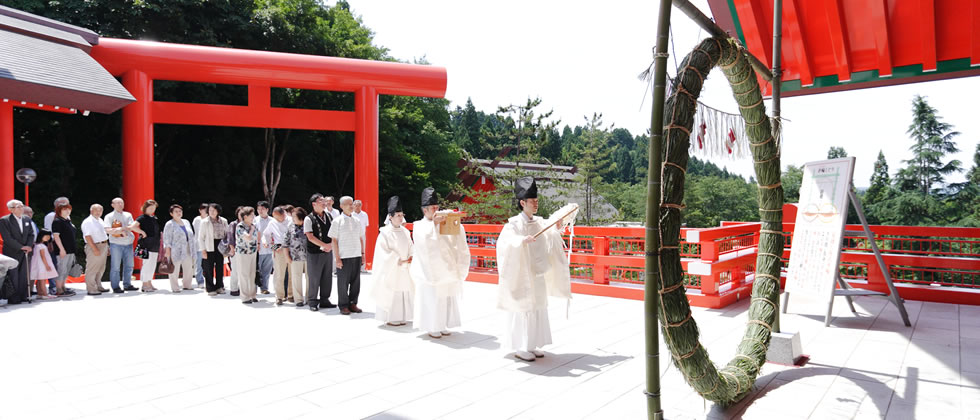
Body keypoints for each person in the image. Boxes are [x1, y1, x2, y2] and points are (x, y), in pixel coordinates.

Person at [496, 177, 572, 362]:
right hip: (522, 273)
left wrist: (557, 227)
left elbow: (549, 233)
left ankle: (532, 344)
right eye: (533, 201)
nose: (536, 204)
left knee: (538, 306)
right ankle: (521, 346)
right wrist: (520, 241)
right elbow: (504, 243)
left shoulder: (538, 221)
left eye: (537, 201)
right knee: (524, 307)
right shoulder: (513, 224)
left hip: (537, 272)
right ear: (523, 203)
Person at [411, 187, 470, 338]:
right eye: (433, 208)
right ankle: (432, 326)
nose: (436, 210)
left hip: (445, 267)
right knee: (432, 298)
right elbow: (424, 242)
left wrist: (454, 222)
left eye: (437, 207)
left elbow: (455, 240)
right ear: (425, 210)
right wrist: (434, 225)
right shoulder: (419, 225)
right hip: (428, 270)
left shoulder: (442, 221)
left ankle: (443, 324)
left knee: (446, 296)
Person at [371, 196, 414, 326]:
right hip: (392, 267)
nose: (401, 218)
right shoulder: (384, 232)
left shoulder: (405, 231)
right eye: (398, 215)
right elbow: (382, 252)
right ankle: (391, 317)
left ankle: (403, 316)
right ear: (390, 217)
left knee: (403, 290)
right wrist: (396, 259)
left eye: (402, 215)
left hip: (405, 266)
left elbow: (411, 245)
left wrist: (411, 255)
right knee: (392, 290)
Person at [328, 196, 365, 315]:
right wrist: (337, 258)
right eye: (348, 204)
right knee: (342, 282)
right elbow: (334, 240)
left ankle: (353, 303)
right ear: (341, 206)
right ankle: (343, 305)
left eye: (352, 204)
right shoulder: (337, 221)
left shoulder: (357, 220)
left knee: (355, 282)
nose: (351, 206)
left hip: (356, 254)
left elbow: (361, 238)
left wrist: (363, 254)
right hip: (343, 256)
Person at [304, 193, 335, 311]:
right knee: (314, 277)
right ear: (314, 204)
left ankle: (324, 299)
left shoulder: (329, 216)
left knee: (327, 276)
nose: (324, 203)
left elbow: (333, 232)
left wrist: (331, 245)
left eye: (324, 200)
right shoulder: (309, 218)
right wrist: (324, 245)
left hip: (328, 250)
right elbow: (310, 236)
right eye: (321, 201)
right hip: (315, 252)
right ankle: (312, 301)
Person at [0, 200, 34, 303]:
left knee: (24, 274)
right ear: (11, 209)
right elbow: (7, 238)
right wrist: (21, 247)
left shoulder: (26, 219)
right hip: (12, 251)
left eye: (22, 206)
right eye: (18, 207)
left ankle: (24, 295)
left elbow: (31, 234)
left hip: (25, 252)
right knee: (13, 275)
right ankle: (13, 297)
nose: (21, 208)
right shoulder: (4, 220)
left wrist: (28, 245)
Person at [104, 198, 139, 293]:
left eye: (122, 203)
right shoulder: (109, 216)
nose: (120, 204)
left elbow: (132, 227)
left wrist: (120, 229)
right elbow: (107, 229)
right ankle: (115, 286)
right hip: (116, 244)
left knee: (129, 265)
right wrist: (121, 230)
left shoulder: (128, 215)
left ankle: (127, 284)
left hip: (128, 243)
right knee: (115, 266)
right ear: (112, 205)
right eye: (118, 203)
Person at [163, 204, 198, 293]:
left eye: (180, 211)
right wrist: (167, 250)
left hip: (188, 247)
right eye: (176, 211)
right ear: (171, 213)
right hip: (176, 248)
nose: (178, 213)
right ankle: (175, 287)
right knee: (175, 268)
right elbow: (167, 238)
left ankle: (187, 285)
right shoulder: (169, 224)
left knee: (188, 267)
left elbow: (191, 235)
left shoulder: (186, 222)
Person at [197, 203, 229, 296]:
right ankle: (210, 288)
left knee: (220, 267)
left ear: (218, 211)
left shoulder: (223, 221)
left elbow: (227, 235)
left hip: (220, 245)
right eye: (210, 210)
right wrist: (203, 250)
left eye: (214, 210)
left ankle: (219, 286)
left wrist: (226, 248)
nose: (212, 212)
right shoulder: (204, 222)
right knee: (208, 268)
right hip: (209, 246)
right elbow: (201, 237)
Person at [81, 204, 110, 295]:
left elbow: (104, 234)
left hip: (103, 245)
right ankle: (91, 288)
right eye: (96, 210)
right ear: (91, 211)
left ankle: (98, 286)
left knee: (101, 268)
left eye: (100, 210)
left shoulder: (100, 220)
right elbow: (87, 236)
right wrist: (94, 249)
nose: (98, 212)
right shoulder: (88, 221)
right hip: (94, 246)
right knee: (92, 268)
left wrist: (107, 247)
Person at [50, 202, 78, 297]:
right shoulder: (57, 221)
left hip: (71, 250)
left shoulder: (68, 221)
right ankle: (59, 289)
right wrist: (62, 249)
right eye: (64, 209)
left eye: (69, 209)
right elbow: (56, 237)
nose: (67, 211)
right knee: (61, 269)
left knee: (66, 270)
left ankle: (63, 287)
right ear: (59, 211)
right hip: (63, 250)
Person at [263, 206, 289, 305]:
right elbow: (266, 235)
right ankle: (279, 296)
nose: (278, 220)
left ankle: (291, 295)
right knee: (279, 273)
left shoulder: (290, 221)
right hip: (278, 249)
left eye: (279, 217)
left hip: (290, 247)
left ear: (284, 214)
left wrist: (284, 246)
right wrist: (272, 246)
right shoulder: (272, 222)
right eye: (275, 217)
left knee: (291, 273)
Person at [235, 206, 259, 304]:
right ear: (245, 216)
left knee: (252, 274)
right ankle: (245, 297)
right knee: (244, 274)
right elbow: (248, 237)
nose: (253, 217)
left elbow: (257, 237)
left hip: (252, 252)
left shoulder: (253, 225)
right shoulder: (240, 226)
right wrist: (252, 229)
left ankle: (252, 295)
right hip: (243, 252)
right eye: (251, 215)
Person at [133, 200, 159, 292]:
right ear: (145, 208)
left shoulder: (154, 218)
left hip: (155, 243)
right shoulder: (142, 217)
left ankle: (149, 282)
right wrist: (142, 232)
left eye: (154, 207)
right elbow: (133, 226)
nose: (152, 209)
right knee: (147, 264)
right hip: (146, 244)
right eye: (150, 207)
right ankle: (144, 284)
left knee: (152, 264)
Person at [285, 207, 308, 306]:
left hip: (309, 256)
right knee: (296, 277)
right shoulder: (290, 226)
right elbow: (285, 242)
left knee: (310, 278)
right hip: (295, 256)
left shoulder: (308, 225)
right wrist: (287, 256)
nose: (292, 218)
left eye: (294, 216)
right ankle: (298, 299)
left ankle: (309, 298)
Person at [30, 229, 58, 300]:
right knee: (42, 280)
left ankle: (40, 293)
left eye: (49, 236)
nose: (48, 238)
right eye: (46, 236)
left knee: (39, 280)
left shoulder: (36, 245)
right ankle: (45, 294)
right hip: (42, 265)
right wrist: (47, 265)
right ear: (41, 236)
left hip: (38, 265)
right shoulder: (41, 246)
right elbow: (43, 256)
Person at [255, 201, 273, 295]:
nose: (260, 211)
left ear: (267, 209)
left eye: (262, 209)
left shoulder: (272, 220)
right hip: (258, 249)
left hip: (270, 249)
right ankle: (253, 289)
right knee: (256, 270)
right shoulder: (255, 220)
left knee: (267, 270)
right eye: (258, 209)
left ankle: (264, 288)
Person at [192, 203, 209, 289]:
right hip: (199, 245)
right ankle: (199, 280)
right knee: (199, 264)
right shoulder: (197, 220)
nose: (205, 211)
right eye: (203, 209)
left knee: (208, 264)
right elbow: (198, 233)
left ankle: (208, 280)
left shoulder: (210, 219)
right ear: (200, 210)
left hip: (209, 245)